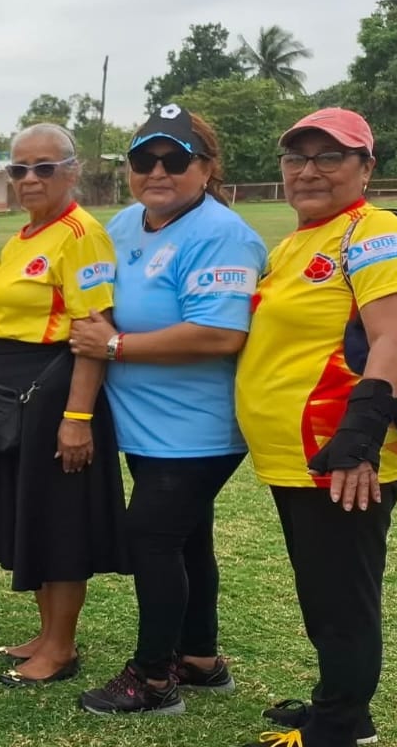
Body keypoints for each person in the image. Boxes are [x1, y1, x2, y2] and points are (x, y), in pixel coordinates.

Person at [234, 108, 397, 747]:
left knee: (341, 598)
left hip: (339, 456)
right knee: (325, 590)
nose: (309, 171)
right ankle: (345, 707)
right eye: (297, 157)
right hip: (295, 457)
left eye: (330, 157)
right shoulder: (301, 240)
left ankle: (334, 739)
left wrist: (359, 438)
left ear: (365, 167)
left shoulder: (373, 231)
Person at [70, 107, 265, 716]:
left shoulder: (222, 233)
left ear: (206, 168)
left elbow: (220, 333)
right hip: (148, 428)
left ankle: (153, 679)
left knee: (151, 539)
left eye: (175, 159)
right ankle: (199, 658)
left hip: (198, 428)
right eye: (143, 160)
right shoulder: (125, 223)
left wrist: (114, 346)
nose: (157, 171)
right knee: (186, 539)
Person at [0, 123, 126, 686]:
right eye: (19, 168)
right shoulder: (23, 237)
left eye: (44, 167)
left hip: (54, 396)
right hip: (14, 399)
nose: (29, 178)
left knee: (59, 522)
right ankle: (45, 633)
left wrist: (77, 418)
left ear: (72, 171)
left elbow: (94, 332)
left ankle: (61, 647)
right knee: (30, 515)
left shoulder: (81, 235)